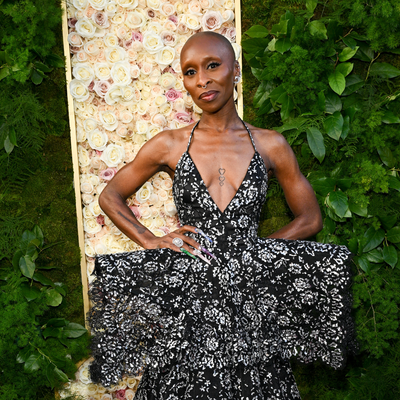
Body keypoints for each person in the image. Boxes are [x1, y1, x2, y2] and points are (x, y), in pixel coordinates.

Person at [88, 31, 357, 399]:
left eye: (212, 65)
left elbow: (310, 218)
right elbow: (110, 195)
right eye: (190, 72)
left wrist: (256, 251)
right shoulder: (170, 143)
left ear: (235, 70)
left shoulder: (270, 144)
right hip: (188, 300)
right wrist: (151, 240)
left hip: (248, 300)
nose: (202, 79)